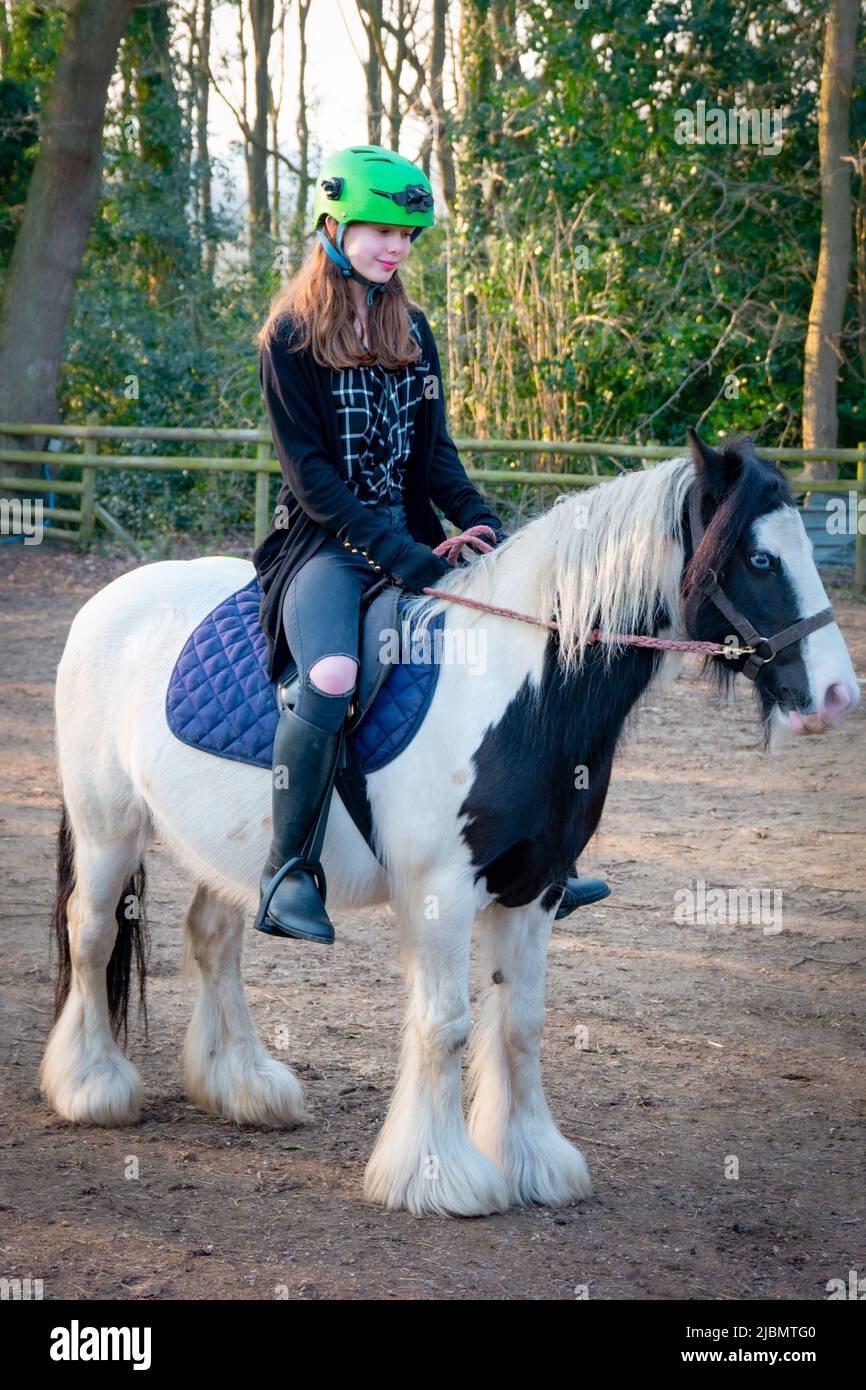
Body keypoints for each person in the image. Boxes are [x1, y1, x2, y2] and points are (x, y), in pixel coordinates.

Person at [252, 143, 607, 945]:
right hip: (322, 548)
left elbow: (434, 453)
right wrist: (407, 558)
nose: (396, 247)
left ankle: (542, 850)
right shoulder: (287, 338)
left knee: (528, 639)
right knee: (334, 673)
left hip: (414, 539)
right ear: (333, 222)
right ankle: (288, 870)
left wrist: (478, 523)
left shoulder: (412, 328)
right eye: (381, 228)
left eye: (408, 234)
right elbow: (313, 481)